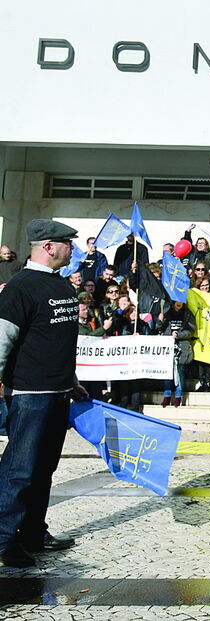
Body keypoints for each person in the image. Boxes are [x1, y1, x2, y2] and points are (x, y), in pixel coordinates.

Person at [0, 219, 88, 568]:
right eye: (68, 243)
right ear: (48, 246)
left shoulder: (60, 285)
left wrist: (73, 379)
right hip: (29, 394)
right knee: (19, 469)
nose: (73, 249)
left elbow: (55, 342)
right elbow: (3, 338)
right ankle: (4, 540)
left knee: (43, 468)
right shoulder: (20, 288)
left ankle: (33, 531)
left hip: (59, 390)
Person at [160, 301, 195, 407]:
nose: (179, 303)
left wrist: (179, 335)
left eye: (181, 301)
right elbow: (158, 327)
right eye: (176, 302)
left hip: (182, 345)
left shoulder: (187, 314)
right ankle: (166, 395)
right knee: (167, 371)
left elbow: (191, 330)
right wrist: (160, 320)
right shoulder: (166, 313)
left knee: (179, 371)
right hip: (168, 345)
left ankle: (178, 396)